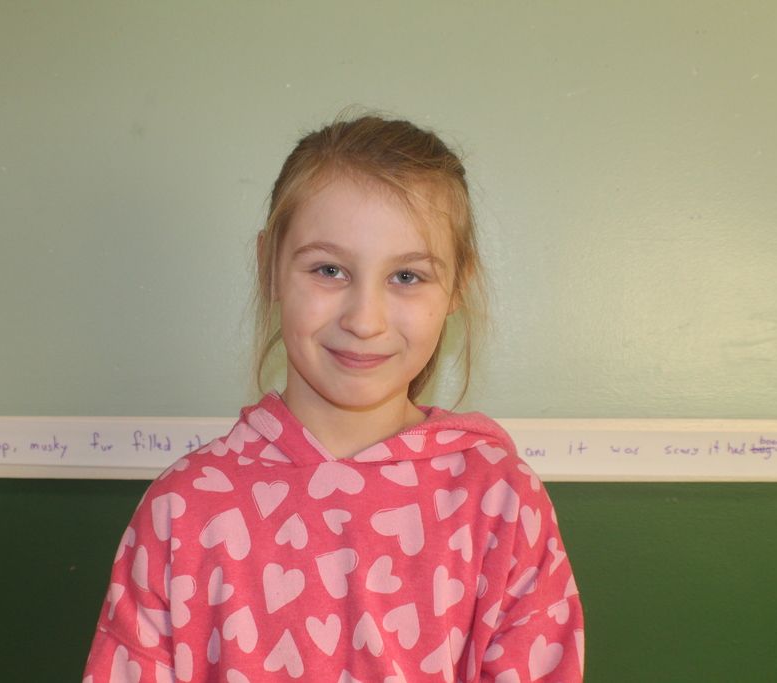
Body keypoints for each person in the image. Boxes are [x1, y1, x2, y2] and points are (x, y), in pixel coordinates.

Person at [83, 114, 584, 682]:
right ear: (269, 267)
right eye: (329, 270)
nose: (364, 320)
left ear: (456, 288)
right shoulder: (183, 510)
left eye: (408, 277)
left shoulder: (500, 501)